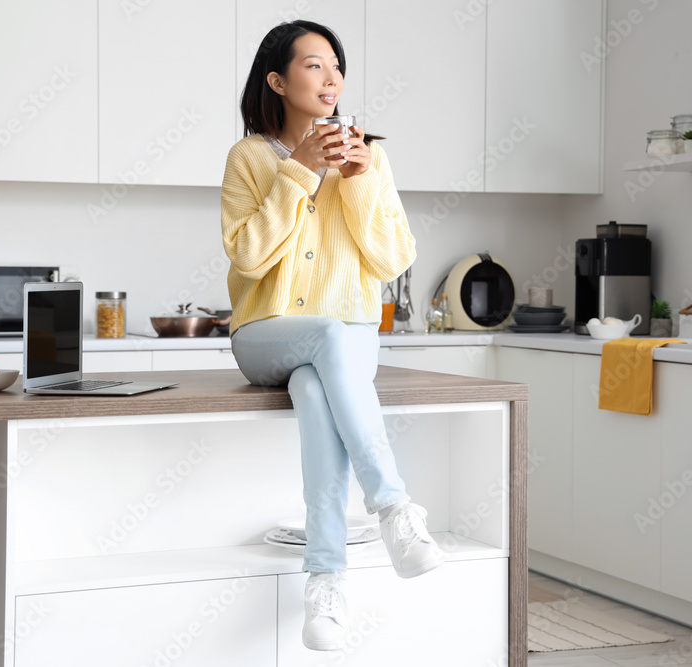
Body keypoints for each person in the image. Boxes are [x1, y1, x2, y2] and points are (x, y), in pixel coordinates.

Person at [221, 20, 444, 652]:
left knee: (318, 393)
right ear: (278, 80)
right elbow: (248, 259)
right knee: (324, 338)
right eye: (315, 65)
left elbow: (395, 259)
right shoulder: (250, 158)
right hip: (265, 334)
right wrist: (298, 173)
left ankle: (326, 585)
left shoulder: (368, 154)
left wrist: (360, 179)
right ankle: (395, 508)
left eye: (336, 66)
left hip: (346, 344)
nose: (332, 77)